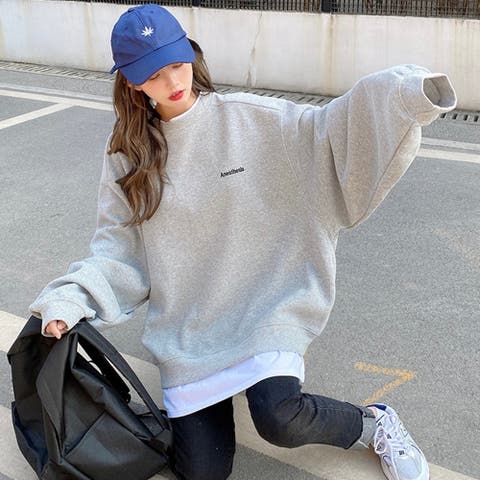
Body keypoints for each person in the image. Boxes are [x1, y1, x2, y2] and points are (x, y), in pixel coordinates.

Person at [30, 4, 457, 480]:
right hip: (191, 327)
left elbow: (333, 130)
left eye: (177, 63)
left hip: (267, 303)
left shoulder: (252, 118)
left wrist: (405, 93)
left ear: (191, 54)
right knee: (202, 472)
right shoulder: (127, 157)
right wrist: (71, 299)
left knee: (280, 417)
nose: (172, 81)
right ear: (132, 83)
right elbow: (117, 249)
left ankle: (374, 422)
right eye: (152, 74)